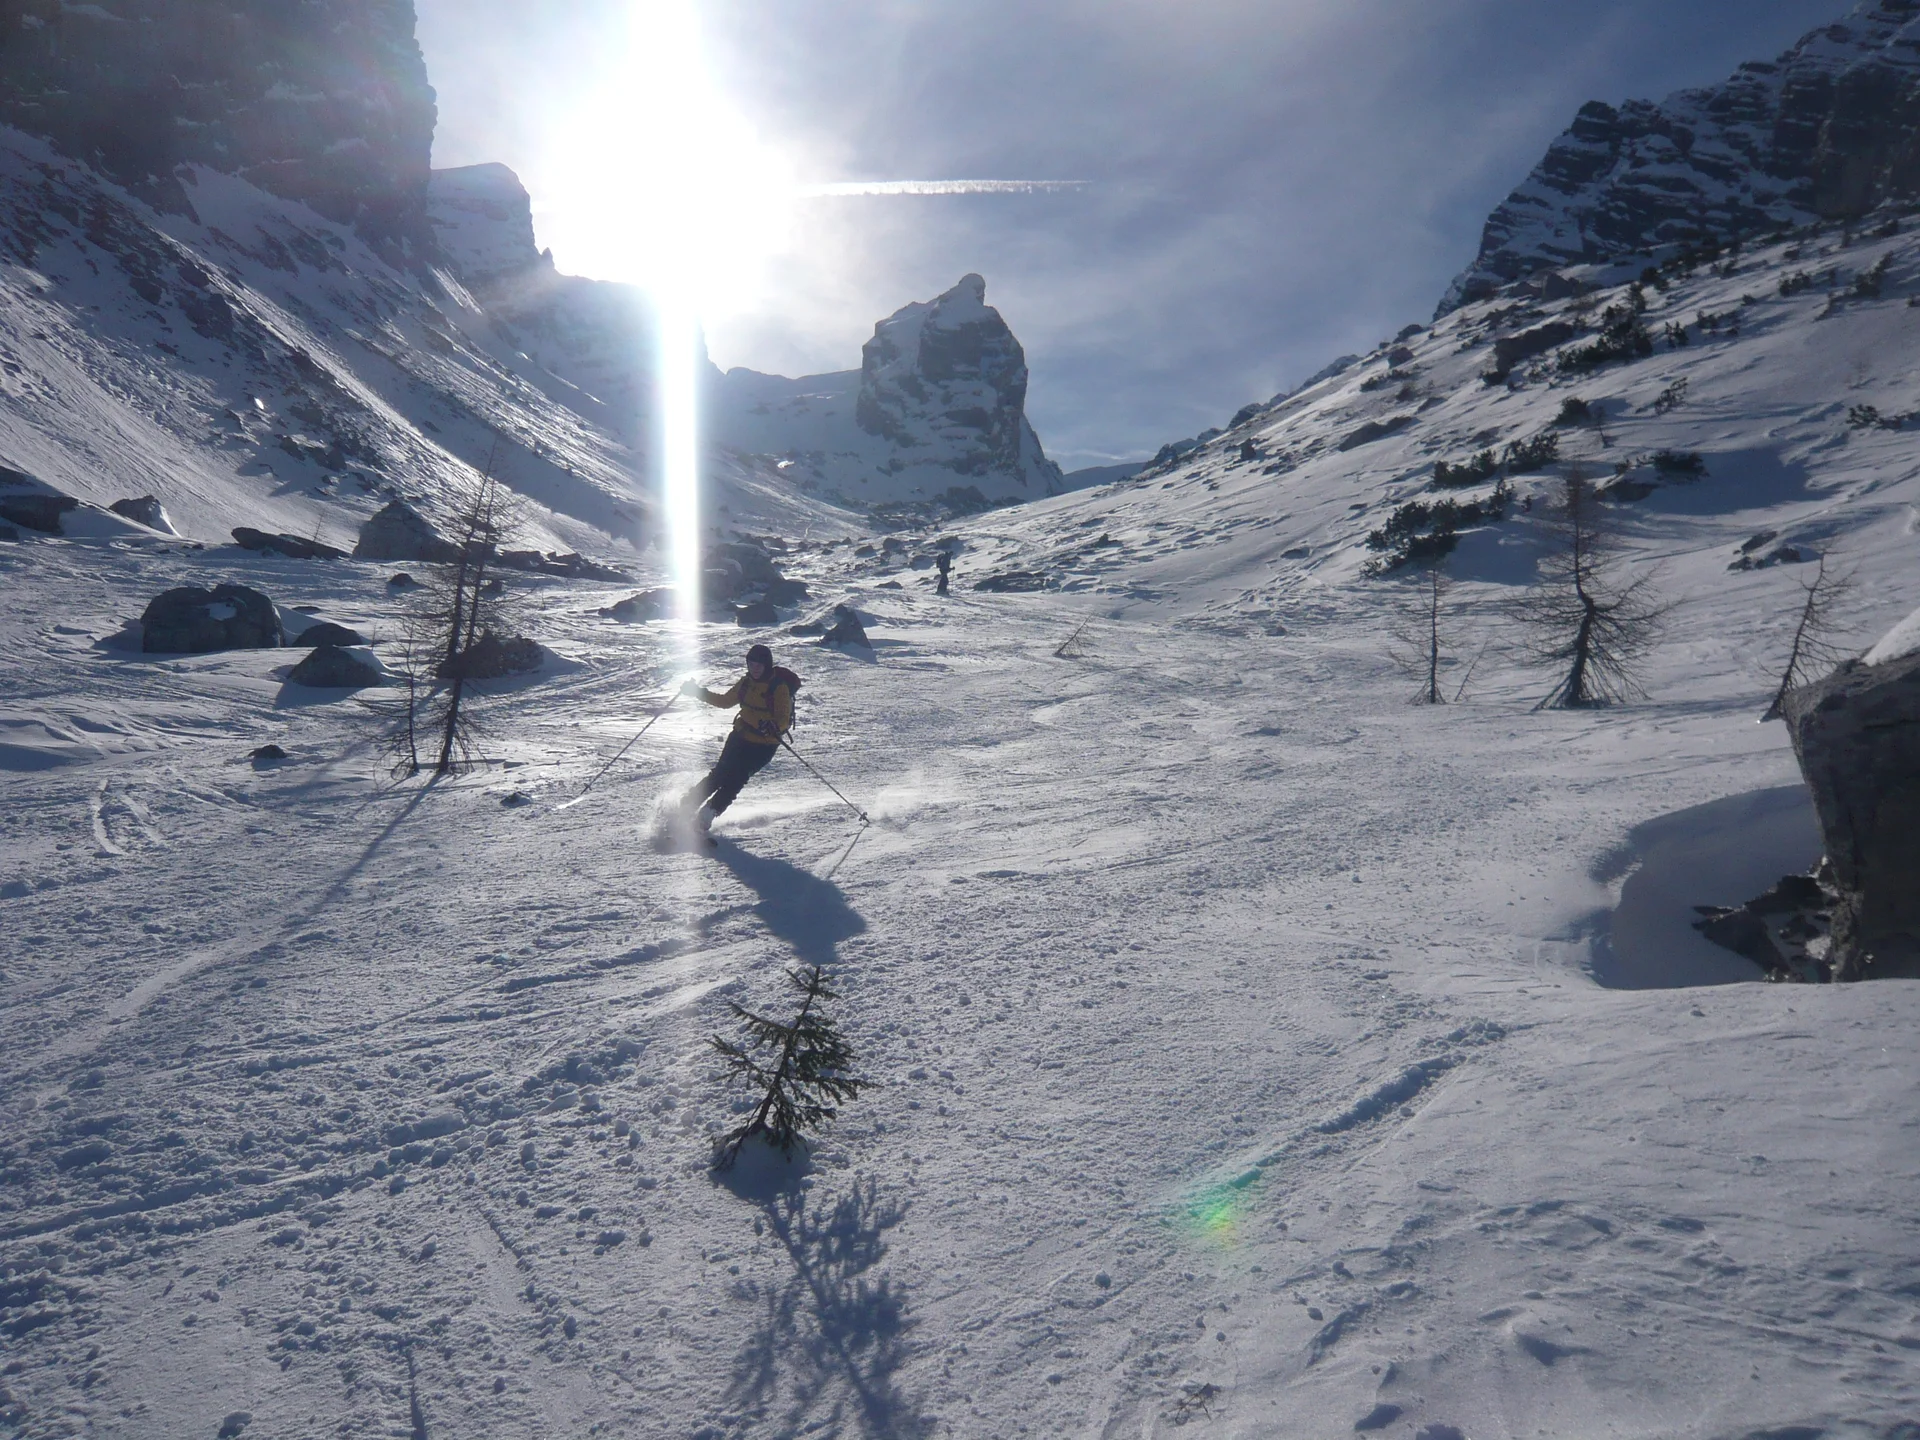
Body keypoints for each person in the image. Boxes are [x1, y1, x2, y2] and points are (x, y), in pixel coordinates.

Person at [678, 643, 796, 833]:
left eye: (759, 664)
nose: (755, 668)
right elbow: (725, 701)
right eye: (751, 663)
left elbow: (783, 718)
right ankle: (685, 808)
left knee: (736, 780)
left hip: (764, 746)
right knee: (720, 774)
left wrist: (773, 726)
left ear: (767, 665)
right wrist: (697, 692)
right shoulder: (746, 682)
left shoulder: (778, 687)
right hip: (740, 736)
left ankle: (705, 817)